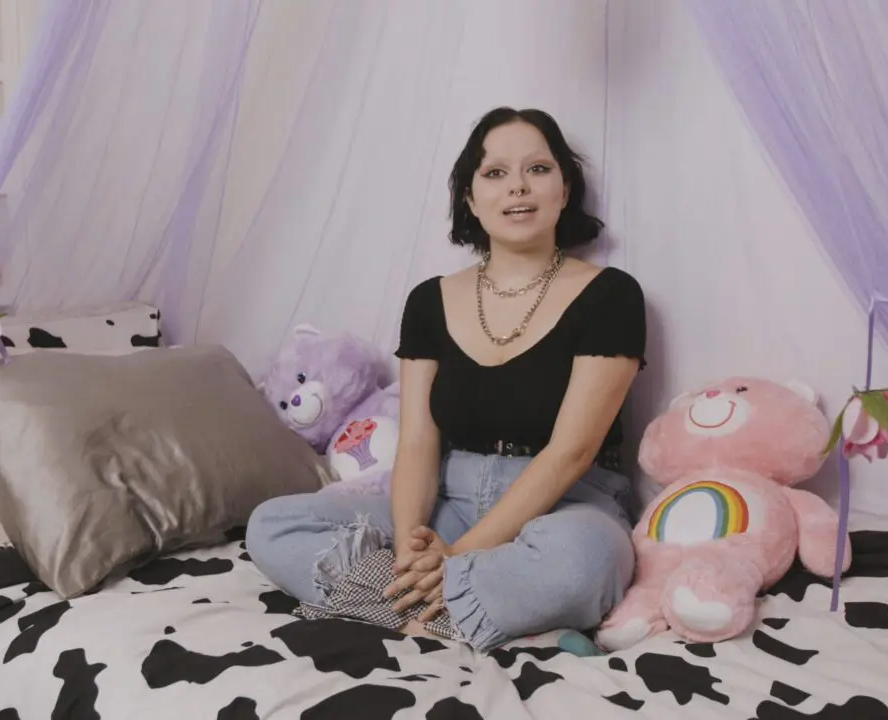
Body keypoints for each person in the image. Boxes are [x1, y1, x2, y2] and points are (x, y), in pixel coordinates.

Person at [247, 107, 645, 652]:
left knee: (584, 562)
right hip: (449, 499)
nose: (518, 187)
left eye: (538, 169)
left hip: (566, 504)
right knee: (272, 525)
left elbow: (570, 453)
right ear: (470, 198)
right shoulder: (429, 301)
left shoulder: (612, 295)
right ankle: (469, 616)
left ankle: (408, 608)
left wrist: (457, 556)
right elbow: (417, 441)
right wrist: (411, 547)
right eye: (495, 173)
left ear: (565, 188)